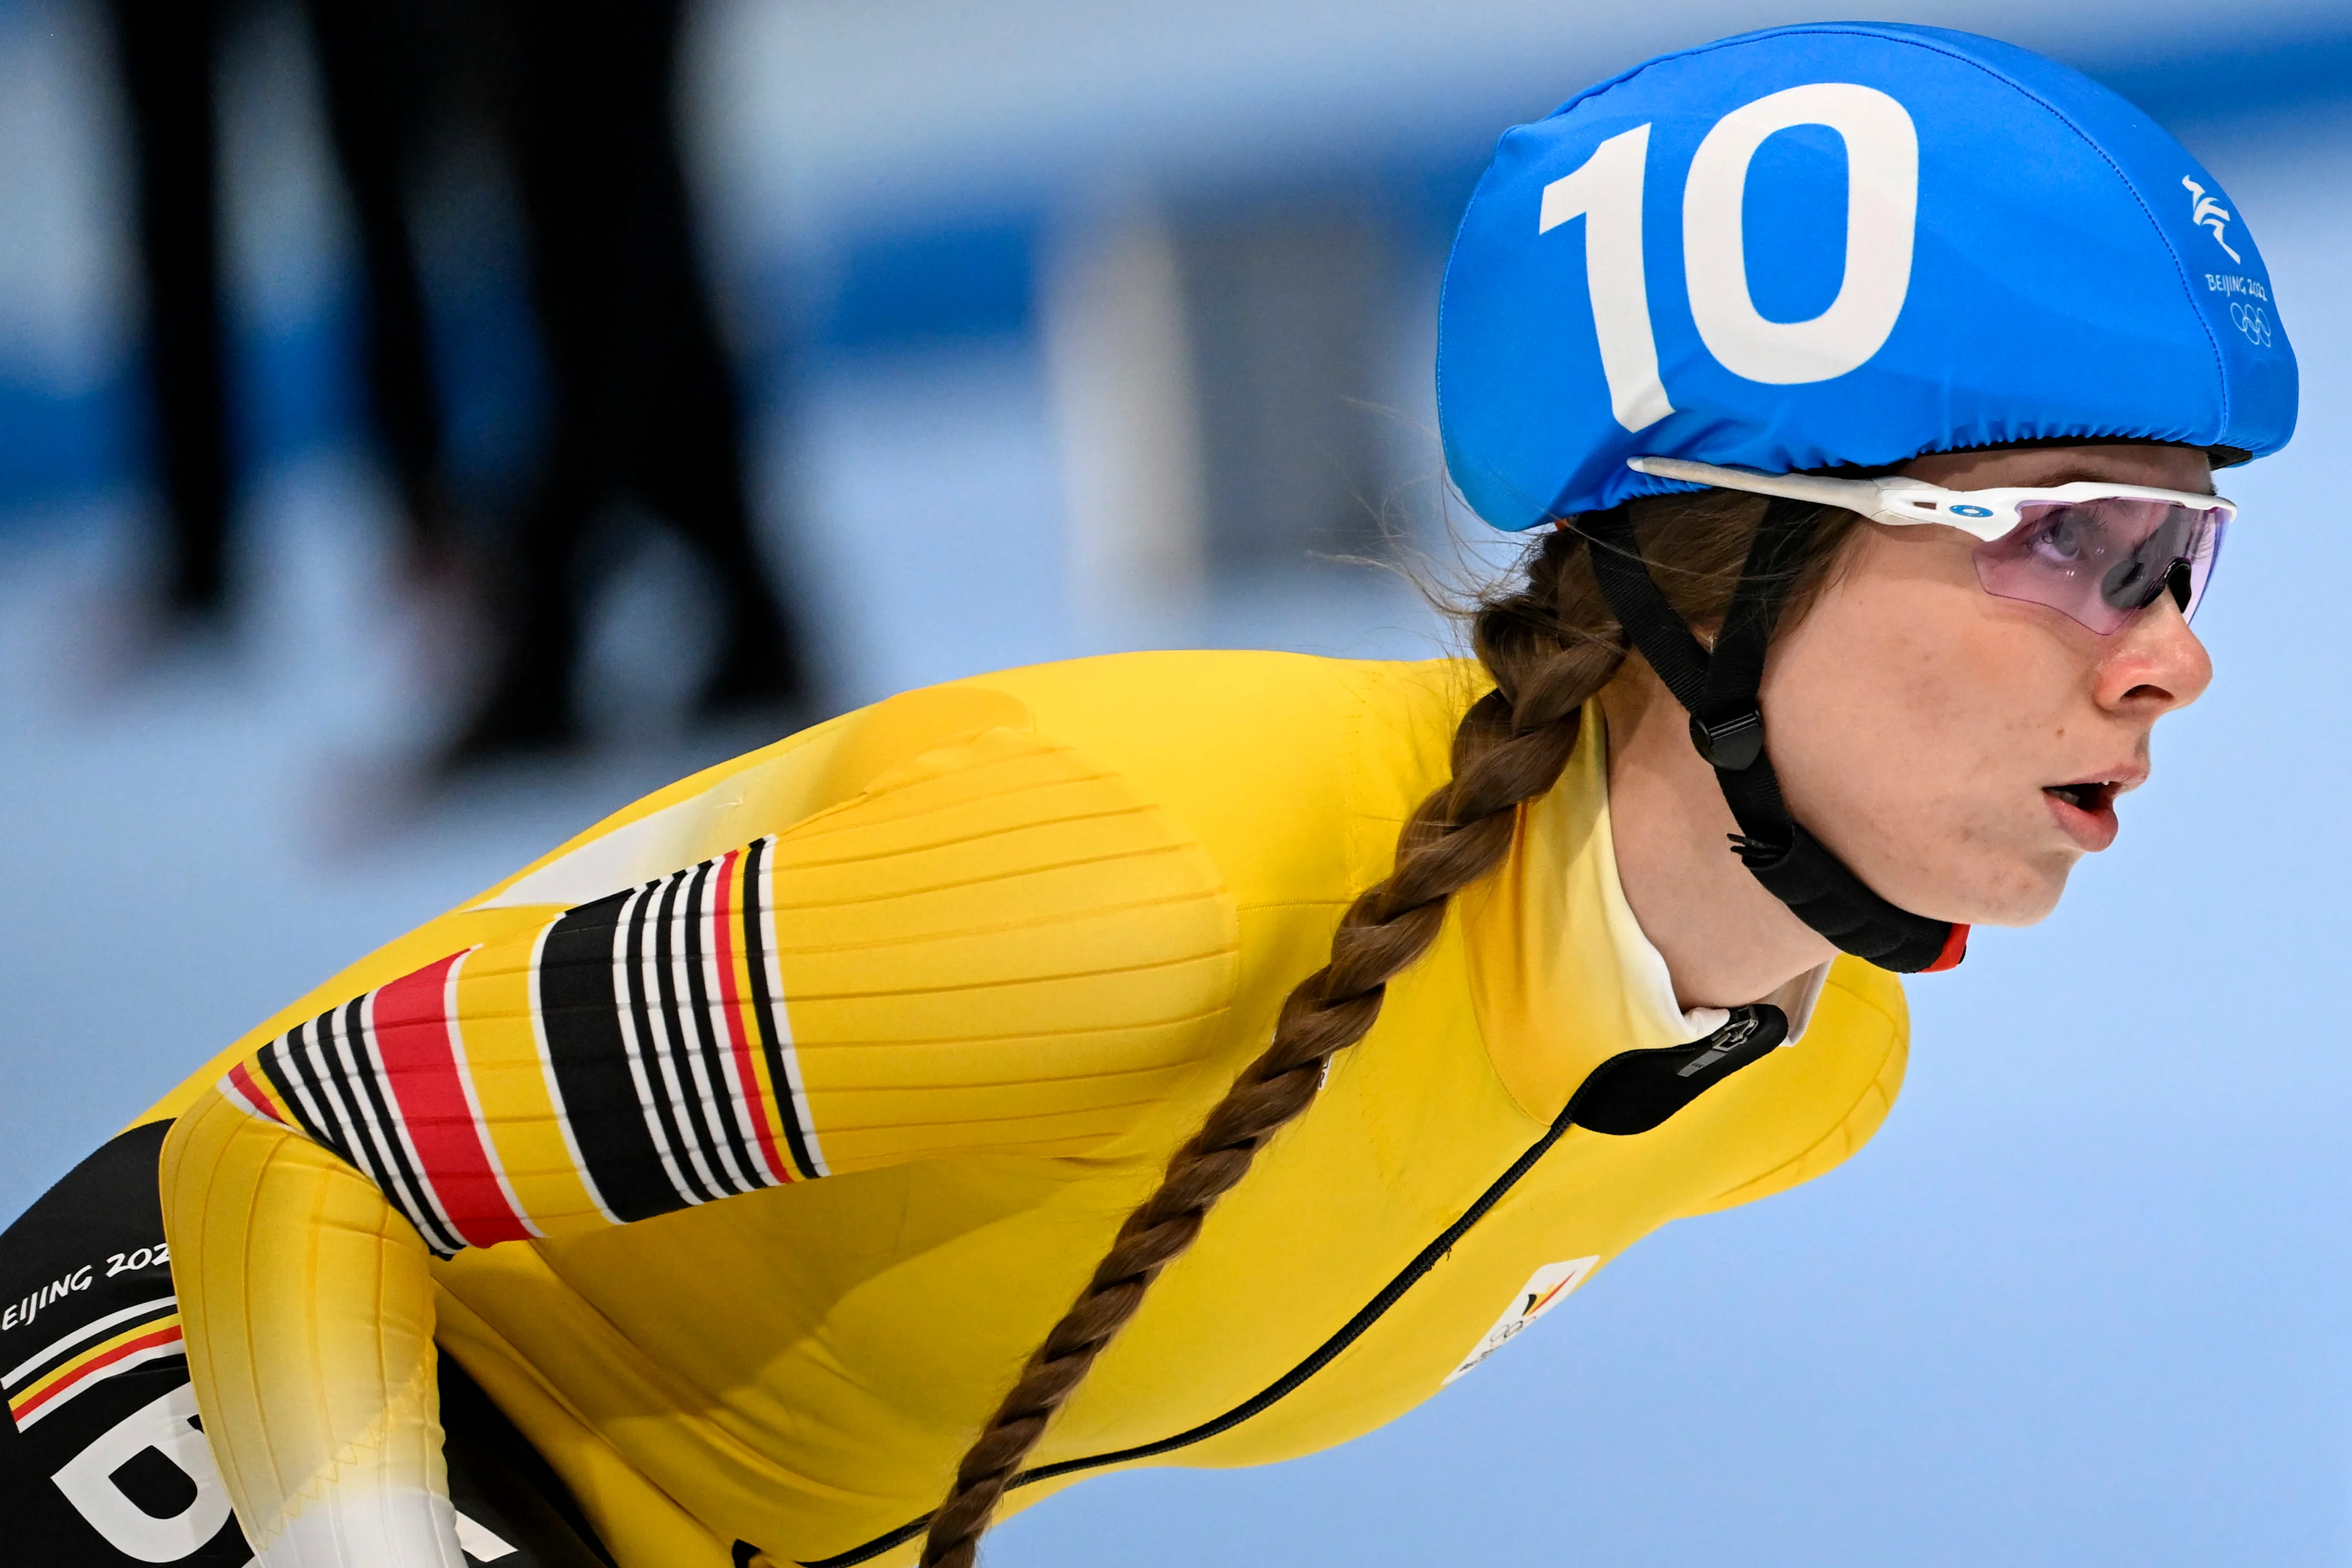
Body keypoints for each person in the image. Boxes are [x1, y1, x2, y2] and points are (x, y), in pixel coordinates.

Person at [0, 22, 2296, 1568]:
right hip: (214, 1389)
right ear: (1736, 555)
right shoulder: (1152, 883)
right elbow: (292, 1153)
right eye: (2082, 537)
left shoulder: (1795, 1077)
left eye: (2190, 555)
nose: (2176, 649)